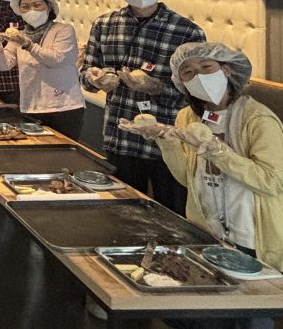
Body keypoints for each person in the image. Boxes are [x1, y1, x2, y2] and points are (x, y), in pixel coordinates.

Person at [119, 42, 283, 275]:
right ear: (182, 83)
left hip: (254, 238)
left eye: (206, 67)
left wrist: (214, 150)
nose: (199, 76)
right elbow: (187, 178)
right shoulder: (187, 117)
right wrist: (165, 139)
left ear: (226, 70)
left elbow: (272, 181)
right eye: (188, 72)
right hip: (207, 233)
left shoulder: (257, 119)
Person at [79, 0, 206, 213]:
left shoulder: (186, 31)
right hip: (120, 136)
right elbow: (87, 73)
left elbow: (198, 93)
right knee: (122, 211)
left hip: (168, 141)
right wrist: (96, 79)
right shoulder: (104, 25)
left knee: (172, 213)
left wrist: (155, 86)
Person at [0, 0, 85, 139]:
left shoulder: (63, 30)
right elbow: (3, 64)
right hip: (31, 105)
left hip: (64, 106)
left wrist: (28, 45)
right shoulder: (20, 35)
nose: (31, 10)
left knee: (64, 150)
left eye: (37, 5)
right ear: (19, 11)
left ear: (49, 6)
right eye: (25, 7)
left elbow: (56, 59)